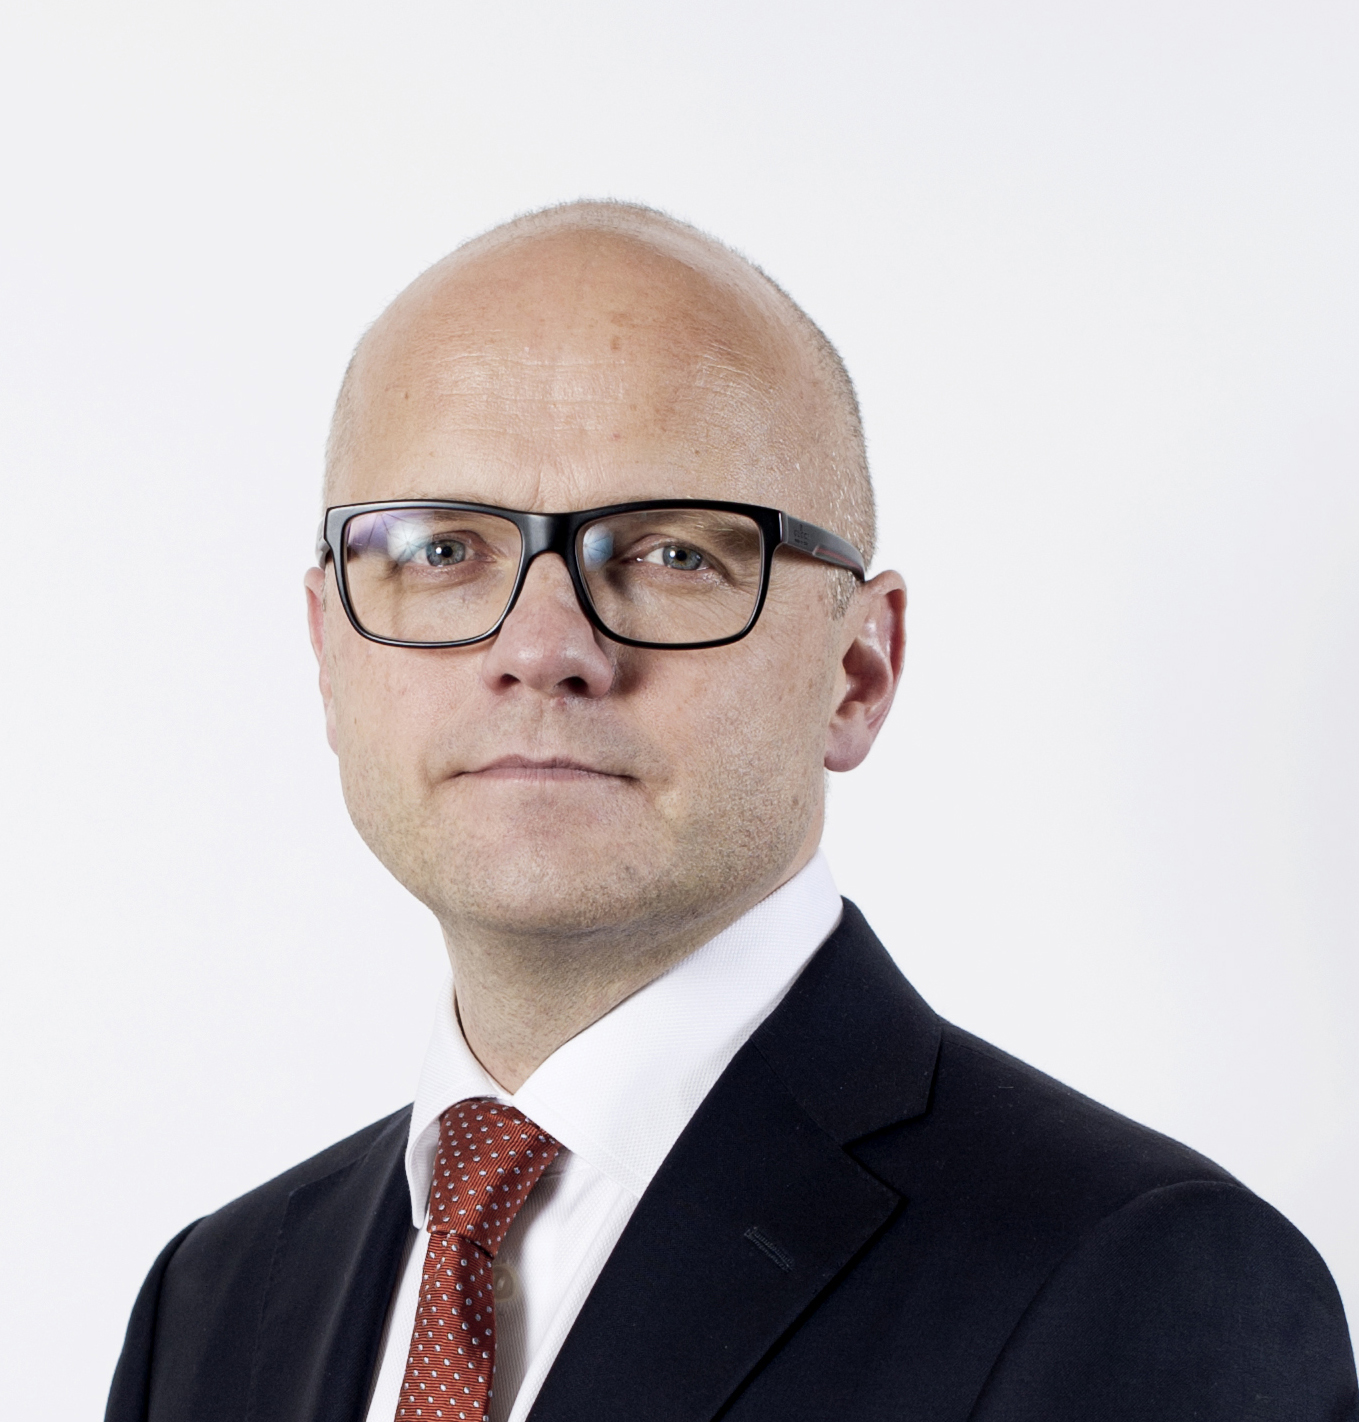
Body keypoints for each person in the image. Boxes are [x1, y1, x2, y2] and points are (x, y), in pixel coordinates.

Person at [106, 201, 1357, 1422]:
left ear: (857, 671)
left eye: (672, 555)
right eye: (442, 551)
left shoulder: (1140, 1283)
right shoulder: (214, 1304)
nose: (542, 649)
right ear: (328, 653)